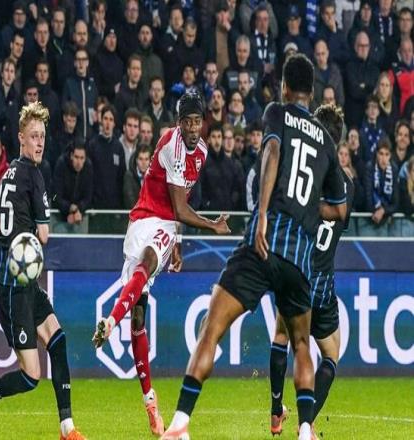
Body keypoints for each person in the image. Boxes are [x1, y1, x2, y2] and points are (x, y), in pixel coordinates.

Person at [161, 54, 347, 440]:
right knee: (301, 345)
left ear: (285, 87)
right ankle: (306, 429)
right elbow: (340, 209)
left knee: (212, 328)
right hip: (298, 260)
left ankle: (179, 423)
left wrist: (262, 212)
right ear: (312, 91)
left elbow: (272, 153)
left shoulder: (277, 112)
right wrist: (309, 209)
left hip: (262, 244)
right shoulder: (327, 143)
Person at [92, 93, 230, 436]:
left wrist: (177, 241)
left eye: (198, 122)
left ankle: (112, 324)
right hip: (142, 218)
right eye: (188, 122)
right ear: (179, 123)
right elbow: (181, 208)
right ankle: (145, 390)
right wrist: (212, 225)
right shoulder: (172, 145)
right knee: (138, 315)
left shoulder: (202, 152)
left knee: (148, 268)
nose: (194, 128)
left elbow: (178, 204)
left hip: (165, 226)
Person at [0, 102, 86, 440]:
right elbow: (44, 235)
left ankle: (67, 428)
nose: (39, 142)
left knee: (58, 341)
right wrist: (34, 226)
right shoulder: (33, 175)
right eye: (33, 136)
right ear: (20, 138)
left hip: (22, 282)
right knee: (31, 375)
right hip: (13, 288)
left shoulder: (8, 174)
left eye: (42, 136)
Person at [268, 104, 354, 436]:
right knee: (330, 354)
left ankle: (276, 411)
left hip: (296, 268)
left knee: (281, 335)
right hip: (322, 282)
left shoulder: (299, 174)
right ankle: (307, 422)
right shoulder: (347, 185)